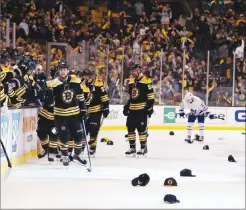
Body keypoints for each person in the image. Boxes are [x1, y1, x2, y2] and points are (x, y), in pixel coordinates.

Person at [47, 60, 87, 166]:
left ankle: (77, 154)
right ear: (59, 70)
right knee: (63, 136)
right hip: (60, 115)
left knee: (79, 134)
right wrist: (48, 92)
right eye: (61, 70)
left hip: (74, 114)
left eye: (64, 70)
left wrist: (83, 109)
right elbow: (48, 98)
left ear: (68, 70)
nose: (62, 72)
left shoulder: (75, 80)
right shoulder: (54, 83)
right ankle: (65, 155)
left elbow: (80, 96)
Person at [123, 64, 154, 157]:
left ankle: (143, 147)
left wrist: (149, 108)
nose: (133, 73)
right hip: (132, 110)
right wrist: (127, 106)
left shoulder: (147, 81)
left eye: (135, 71)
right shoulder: (131, 82)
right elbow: (132, 97)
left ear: (139, 71)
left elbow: (151, 97)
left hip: (142, 110)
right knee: (130, 128)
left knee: (141, 130)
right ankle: (132, 148)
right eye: (132, 71)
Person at [82, 69, 110, 157]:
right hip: (85, 111)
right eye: (84, 75)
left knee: (94, 129)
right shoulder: (81, 85)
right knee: (83, 130)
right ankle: (81, 148)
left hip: (96, 111)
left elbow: (104, 97)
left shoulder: (98, 84)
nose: (86, 77)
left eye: (87, 75)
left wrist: (106, 107)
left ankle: (92, 147)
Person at [36, 88, 59, 162]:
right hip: (44, 118)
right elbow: (44, 99)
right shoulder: (49, 90)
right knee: (41, 133)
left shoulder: (63, 92)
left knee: (54, 135)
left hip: (55, 120)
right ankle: (46, 149)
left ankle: (52, 152)